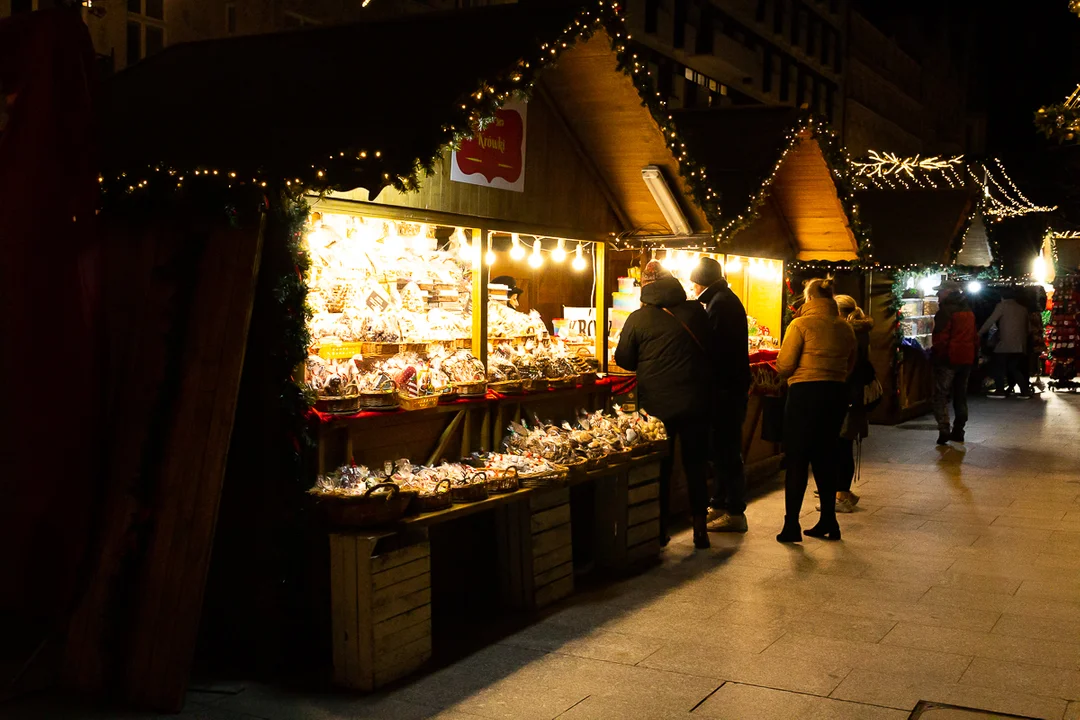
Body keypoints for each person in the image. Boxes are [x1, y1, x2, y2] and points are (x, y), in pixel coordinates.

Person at [615, 260, 716, 549]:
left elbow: (624, 360)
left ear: (645, 288)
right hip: (696, 401)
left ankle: (658, 531)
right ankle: (700, 528)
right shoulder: (697, 311)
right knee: (696, 464)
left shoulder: (638, 318)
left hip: (657, 406)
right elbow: (711, 346)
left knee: (662, 466)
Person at [775, 277, 856, 543]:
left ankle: (791, 525)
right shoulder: (845, 327)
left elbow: (785, 365)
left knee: (798, 459)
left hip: (804, 394)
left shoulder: (800, 324)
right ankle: (829, 521)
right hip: (835, 394)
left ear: (808, 299)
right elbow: (850, 363)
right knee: (825, 456)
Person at [689, 257, 751, 533]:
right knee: (724, 448)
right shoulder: (724, 299)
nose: (691, 289)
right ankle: (722, 504)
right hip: (730, 388)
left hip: (725, 390)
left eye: (693, 284)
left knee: (726, 450)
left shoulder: (719, 305)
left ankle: (735, 511)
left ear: (700, 282)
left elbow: (712, 348)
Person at [832, 295, 874, 513]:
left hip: (848, 394)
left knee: (841, 445)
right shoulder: (861, 330)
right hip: (855, 395)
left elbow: (848, 367)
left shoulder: (849, 332)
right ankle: (844, 491)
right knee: (844, 444)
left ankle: (840, 494)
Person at [931, 280, 979, 445]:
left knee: (941, 395)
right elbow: (974, 337)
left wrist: (938, 355)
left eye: (940, 291)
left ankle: (944, 429)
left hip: (948, 360)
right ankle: (959, 430)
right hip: (966, 359)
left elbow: (941, 338)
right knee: (960, 395)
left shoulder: (945, 312)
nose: (938, 295)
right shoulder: (968, 311)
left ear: (948, 292)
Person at [979, 288, 1032, 398]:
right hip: (1020, 345)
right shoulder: (1023, 309)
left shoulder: (1002, 306)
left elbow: (990, 321)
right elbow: (1029, 329)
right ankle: (1024, 391)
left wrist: (979, 333)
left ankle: (999, 390)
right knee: (1014, 367)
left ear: (1002, 297)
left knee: (997, 365)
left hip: (1005, 343)